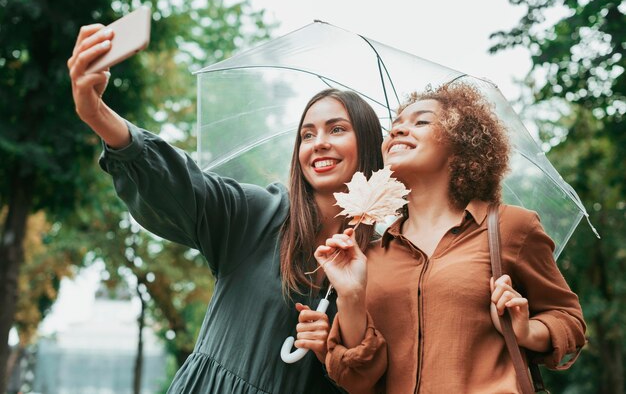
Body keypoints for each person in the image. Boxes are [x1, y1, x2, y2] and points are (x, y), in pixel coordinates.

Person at [67, 23, 383, 393]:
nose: (319, 144)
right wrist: (98, 115)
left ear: (368, 142)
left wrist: (330, 351)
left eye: (337, 129)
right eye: (307, 134)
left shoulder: (383, 259)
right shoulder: (258, 214)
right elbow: (184, 187)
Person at [314, 82, 587, 393]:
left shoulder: (509, 227)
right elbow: (357, 380)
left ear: (461, 142)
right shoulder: (370, 257)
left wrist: (526, 330)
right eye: (394, 128)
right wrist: (350, 297)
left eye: (421, 121)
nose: (398, 131)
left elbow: (569, 320)